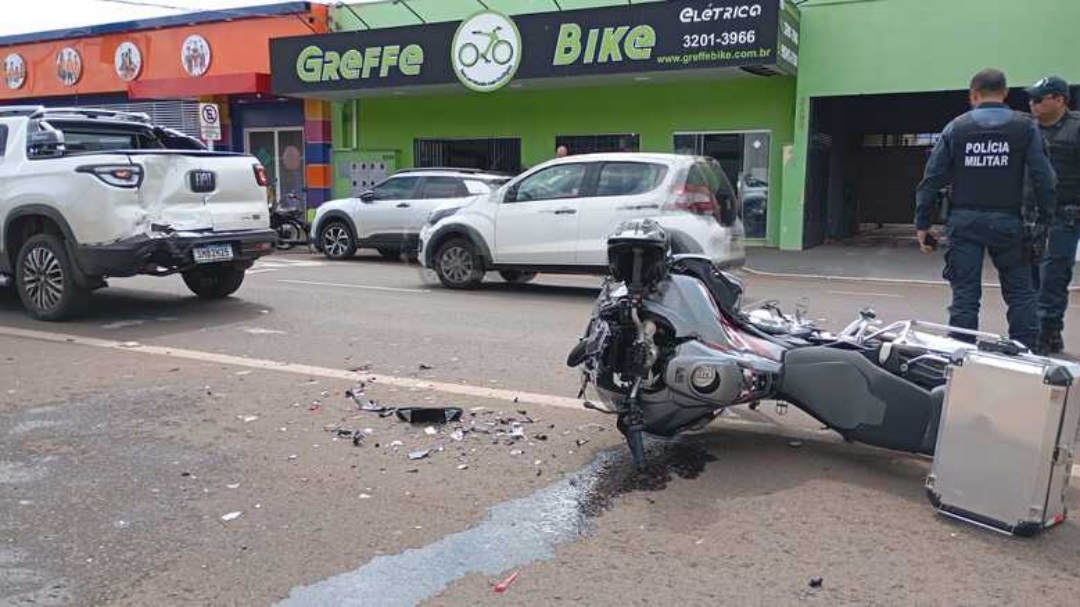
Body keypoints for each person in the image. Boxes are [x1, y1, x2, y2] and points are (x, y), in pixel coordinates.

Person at [915, 68, 1057, 349]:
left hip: (964, 223)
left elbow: (932, 179)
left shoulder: (956, 127)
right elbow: (1046, 180)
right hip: (1009, 223)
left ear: (974, 94)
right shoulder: (1026, 127)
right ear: (1004, 93)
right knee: (1020, 293)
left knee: (965, 295)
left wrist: (922, 223)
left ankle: (961, 359)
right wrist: (1045, 221)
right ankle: (1025, 356)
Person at [1026, 76, 1080, 354]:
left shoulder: (1076, 128)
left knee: (1053, 278)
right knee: (1027, 278)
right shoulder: (1027, 130)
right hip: (1029, 216)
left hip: (1064, 216)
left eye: (1039, 98)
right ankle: (1037, 331)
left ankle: (1047, 333)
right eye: (1031, 98)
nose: (1032, 103)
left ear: (1059, 99)